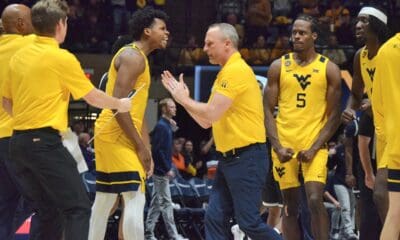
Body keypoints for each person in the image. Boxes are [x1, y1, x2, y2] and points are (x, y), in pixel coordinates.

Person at [1, 0, 132, 239]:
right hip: (44, 143)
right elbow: (92, 96)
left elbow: (6, 101)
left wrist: (25, 122)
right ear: (60, 25)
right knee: (78, 207)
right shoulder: (62, 58)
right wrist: (120, 104)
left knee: (47, 209)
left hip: (17, 144)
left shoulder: (19, 57)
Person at [161, 23, 281, 240]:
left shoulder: (235, 71)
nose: (204, 48)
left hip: (247, 157)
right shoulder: (225, 73)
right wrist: (185, 102)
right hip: (229, 160)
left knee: (249, 223)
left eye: (209, 43)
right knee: (214, 218)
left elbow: (211, 113)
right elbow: (206, 122)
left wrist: (183, 99)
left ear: (227, 44)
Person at [89, 7, 169, 240]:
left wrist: (147, 149)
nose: (167, 33)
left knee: (105, 200)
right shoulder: (133, 57)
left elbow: (137, 113)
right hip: (115, 133)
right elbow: (117, 105)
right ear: (147, 31)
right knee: (135, 195)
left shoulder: (139, 58)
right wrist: (140, 146)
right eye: (162, 28)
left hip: (117, 132)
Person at [264, 14, 341, 240]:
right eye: (294, 32)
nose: (296, 36)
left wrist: (315, 146)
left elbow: (335, 115)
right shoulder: (278, 66)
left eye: (302, 32)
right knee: (290, 206)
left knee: (315, 199)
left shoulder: (329, 69)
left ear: (314, 36)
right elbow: (267, 111)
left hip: (314, 145)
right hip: (284, 146)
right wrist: (277, 146)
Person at [342, 6, 391, 224]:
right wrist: (350, 109)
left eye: (364, 21)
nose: (358, 25)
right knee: (374, 192)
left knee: (381, 192)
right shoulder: (359, 57)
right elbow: (356, 93)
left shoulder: (391, 53)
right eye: (357, 21)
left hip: (392, 120)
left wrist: (378, 100)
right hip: (376, 121)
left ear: (378, 26)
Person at [0, 4, 36, 240]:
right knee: (43, 199)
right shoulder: (31, 45)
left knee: (5, 203)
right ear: (21, 25)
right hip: (17, 136)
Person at [145, 98, 187, 240]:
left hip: (161, 170)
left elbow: (167, 144)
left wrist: (173, 126)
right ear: (164, 109)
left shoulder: (166, 125)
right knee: (166, 204)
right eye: (172, 107)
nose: (175, 109)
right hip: (161, 172)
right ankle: (174, 236)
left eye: (175, 107)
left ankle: (148, 233)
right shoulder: (161, 127)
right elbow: (158, 150)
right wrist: (166, 168)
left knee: (156, 203)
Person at [374, 32, 400, 239]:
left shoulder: (386, 50)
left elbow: (378, 105)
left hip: (397, 145)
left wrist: (389, 140)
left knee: (395, 215)